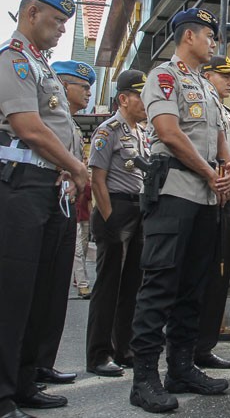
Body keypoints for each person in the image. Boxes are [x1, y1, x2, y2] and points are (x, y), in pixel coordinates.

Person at [129, 8, 230, 413]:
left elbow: (219, 136)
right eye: (210, 35)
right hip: (175, 191)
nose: (215, 42)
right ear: (189, 36)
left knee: (194, 287)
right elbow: (168, 132)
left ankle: (181, 367)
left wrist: (227, 167)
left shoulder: (206, 87)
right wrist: (212, 172)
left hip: (207, 197)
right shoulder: (165, 76)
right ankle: (144, 379)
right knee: (160, 285)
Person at [0, 0, 88, 417]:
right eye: (55, 21)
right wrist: (75, 167)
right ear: (31, 14)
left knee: (41, 293)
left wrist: (68, 170)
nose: (59, 30)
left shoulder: (42, 66)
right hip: (20, 185)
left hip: (48, 186)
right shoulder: (14, 60)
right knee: (13, 294)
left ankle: (25, 380)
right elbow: (29, 127)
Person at [35, 60, 96, 383]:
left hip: (65, 204)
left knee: (55, 291)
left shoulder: (70, 124)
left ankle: (42, 362)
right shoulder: (49, 116)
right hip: (40, 196)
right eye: (83, 87)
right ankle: (26, 368)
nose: (88, 93)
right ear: (63, 86)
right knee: (36, 288)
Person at [85, 70, 148, 378]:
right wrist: (109, 218)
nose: (146, 101)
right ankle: (98, 354)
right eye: (140, 94)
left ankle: (124, 349)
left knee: (131, 287)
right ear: (124, 98)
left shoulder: (142, 132)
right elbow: (97, 179)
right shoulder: (108, 130)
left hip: (139, 210)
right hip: (116, 208)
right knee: (108, 286)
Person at [194, 56, 230, 370]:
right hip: (202, 198)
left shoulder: (229, 115)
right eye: (224, 76)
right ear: (207, 75)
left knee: (220, 276)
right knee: (196, 276)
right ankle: (185, 348)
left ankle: (205, 346)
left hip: (228, 202)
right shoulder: (198, 106)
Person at [74, 171, 93, 299]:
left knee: (83, 250)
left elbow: (90, 201)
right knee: (78, 250)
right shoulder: (70, 176)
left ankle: (78, 278)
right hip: (73, 217)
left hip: (84, 218)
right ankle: (82, 285)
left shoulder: (87, 180)